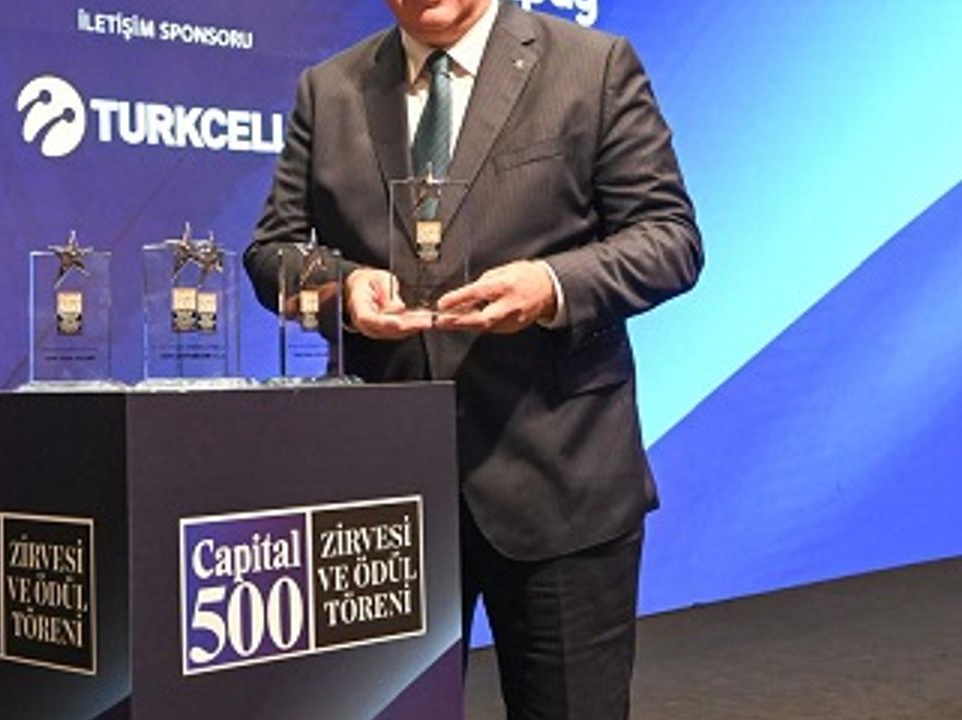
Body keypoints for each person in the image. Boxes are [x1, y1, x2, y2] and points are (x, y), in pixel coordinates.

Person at [244, 0, 701, 717]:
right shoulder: (328, 89)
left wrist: (550, 285)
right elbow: (271, 252)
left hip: (559, 482)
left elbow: (668, 239)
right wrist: (342, 288)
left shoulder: (592, 65)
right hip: (382, 505)